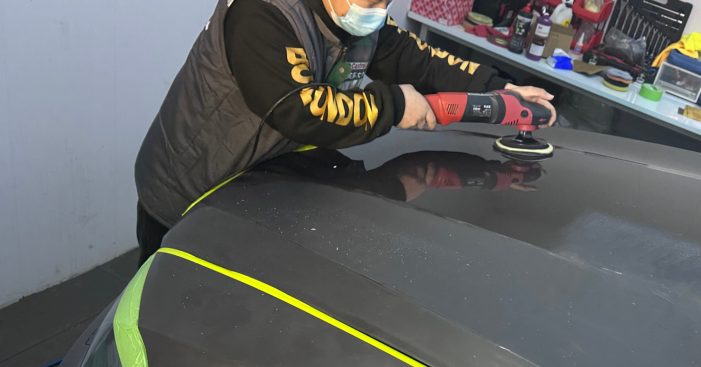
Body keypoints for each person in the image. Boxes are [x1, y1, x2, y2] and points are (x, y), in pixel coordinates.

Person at [134, 0, 557, 264]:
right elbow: (298, 109)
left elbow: (420, 60)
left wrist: (498, 88)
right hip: (187, 191)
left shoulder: (361, 22)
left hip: (254, 189)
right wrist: (395, 107)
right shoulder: (262, 13)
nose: (377, 10)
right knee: (167, 306)